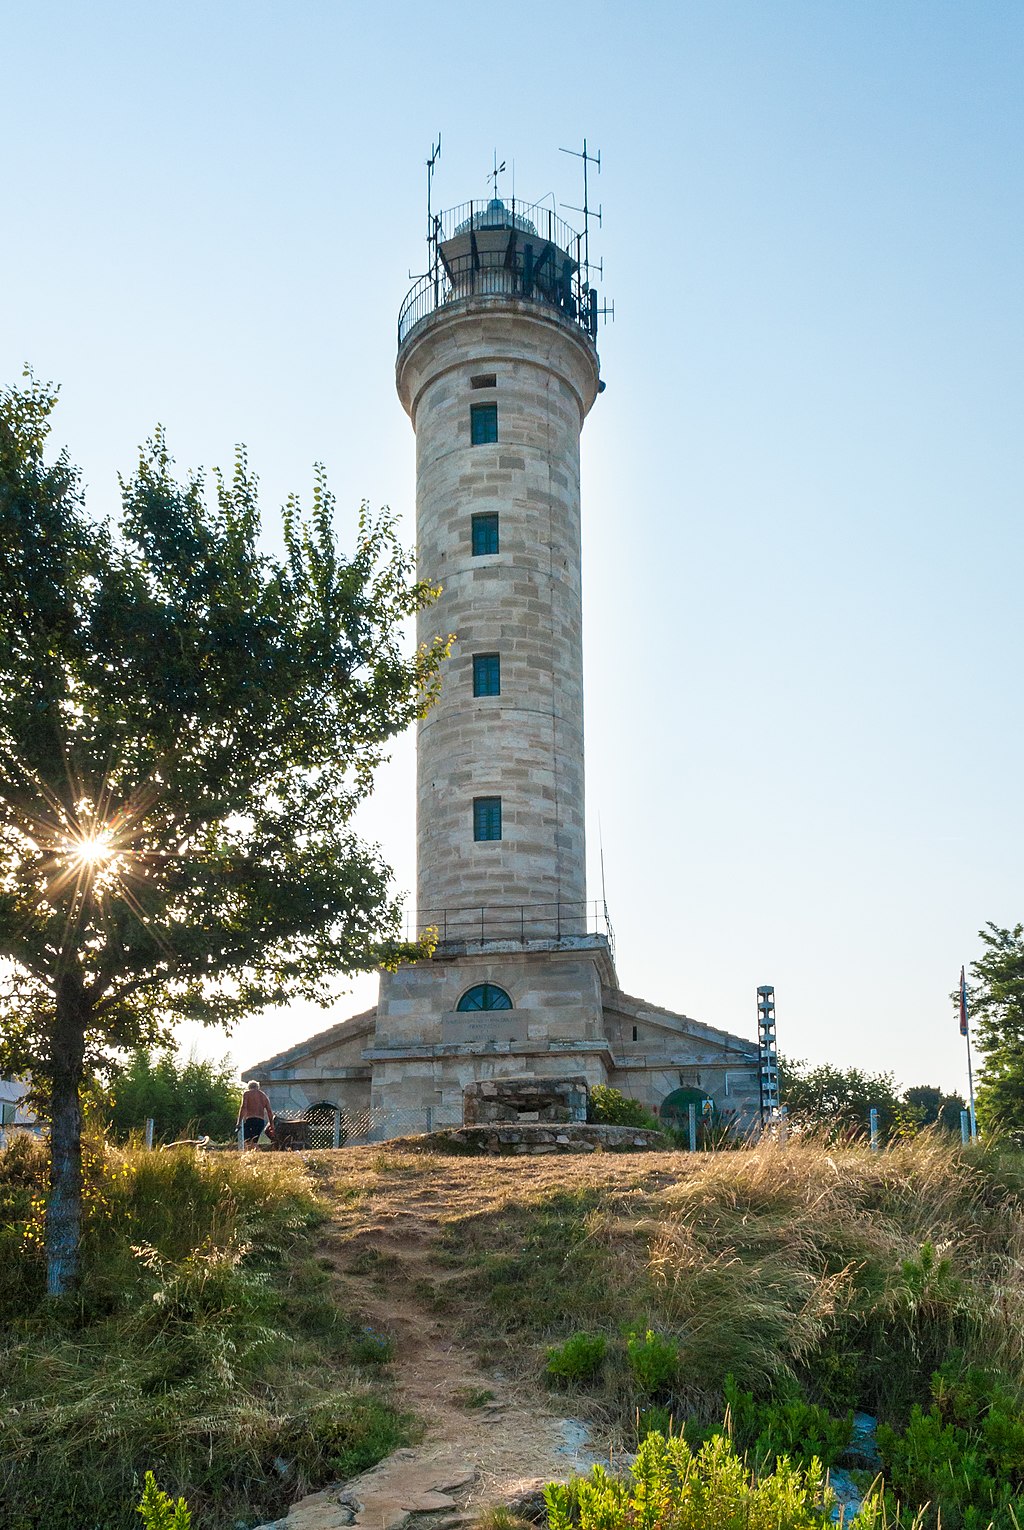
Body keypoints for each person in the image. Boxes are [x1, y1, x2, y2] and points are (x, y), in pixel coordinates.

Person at [237, 1080, 275, 1149]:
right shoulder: (263, 1096)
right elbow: (269, 1111)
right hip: (260, 1121)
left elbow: (243, 1107)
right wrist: (271, 1125)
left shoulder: (247, 1094)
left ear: (249, 1087)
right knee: (254, 1141)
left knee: (248, 1141)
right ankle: (255, 1155)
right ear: (258, 1087)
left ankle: (258, 1154)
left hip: (250, 1120)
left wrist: (239, 1122)